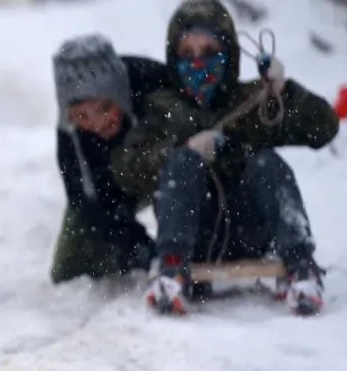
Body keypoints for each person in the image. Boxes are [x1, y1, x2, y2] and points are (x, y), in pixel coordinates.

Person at [111, 0, 339, 316]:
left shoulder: (252, 100)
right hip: (193, 233)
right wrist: (182, 151)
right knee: (182, 164)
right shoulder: (162, 108)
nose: (198, 62)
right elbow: (126, 168)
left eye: (208, 51)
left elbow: (323, 128)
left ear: (228, 53)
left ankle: (301, 265)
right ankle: (172, 271)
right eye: (187, 54)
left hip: (248, 230)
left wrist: (284, 91)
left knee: (266, 162)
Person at [50, 35, 175, 284]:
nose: (96, 124)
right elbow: (87, 202)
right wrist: (138, 247)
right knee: (68, 271)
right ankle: (120, 261)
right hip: (112, 188)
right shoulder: (70, 136)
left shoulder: (155, 84)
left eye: (105, 108)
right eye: (82, 115)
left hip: (166, 170)